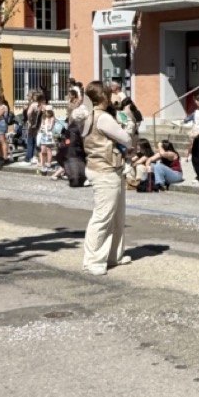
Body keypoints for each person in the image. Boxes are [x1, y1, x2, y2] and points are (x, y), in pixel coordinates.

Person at [72, 80, 135, 275]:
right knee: (103, 216)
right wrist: (129, 126)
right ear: (104, 97)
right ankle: (93, 260)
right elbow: (126, 139)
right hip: (106, 170)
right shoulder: (103, 117)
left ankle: (114, 255)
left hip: (101, 167)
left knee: (116, 215)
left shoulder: (88, 115)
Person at [36, 106, 56, 173]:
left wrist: (47, 126)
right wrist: (40, 131)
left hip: (48, 135)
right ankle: (43, 164)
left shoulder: (52, 118)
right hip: (43, 134)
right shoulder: (43, 117)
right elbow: (41, 126)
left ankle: (48, 163)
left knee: (48, 149)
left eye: (47, 111)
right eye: (46, 111)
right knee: (43, 150)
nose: (46, 112)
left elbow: (50, 127)